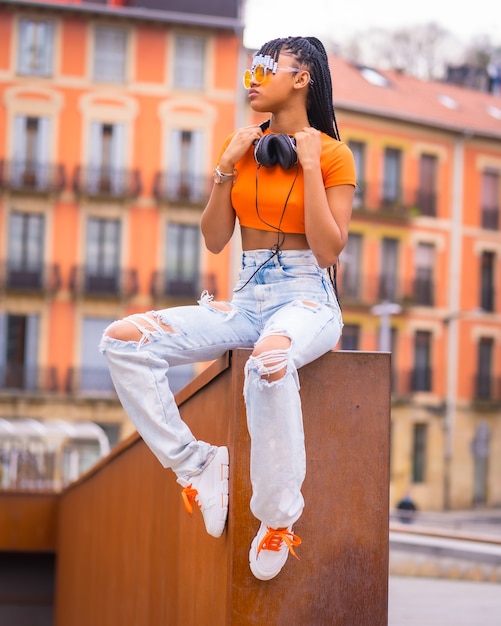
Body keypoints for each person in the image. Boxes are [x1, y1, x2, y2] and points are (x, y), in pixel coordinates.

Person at [99, 35, 356, 581]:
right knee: (122, 339)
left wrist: (310, 167)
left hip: (308, 299)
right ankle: (197, 464)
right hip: (246, 298)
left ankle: (278, 519)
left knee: (269, 363)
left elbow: (331, 250)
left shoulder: (332, 155)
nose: (254, 79)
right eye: (251, 70)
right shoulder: (245, 149)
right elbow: (216, 239)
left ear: (302, 77)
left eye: (267, 69)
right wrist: (223, 170)